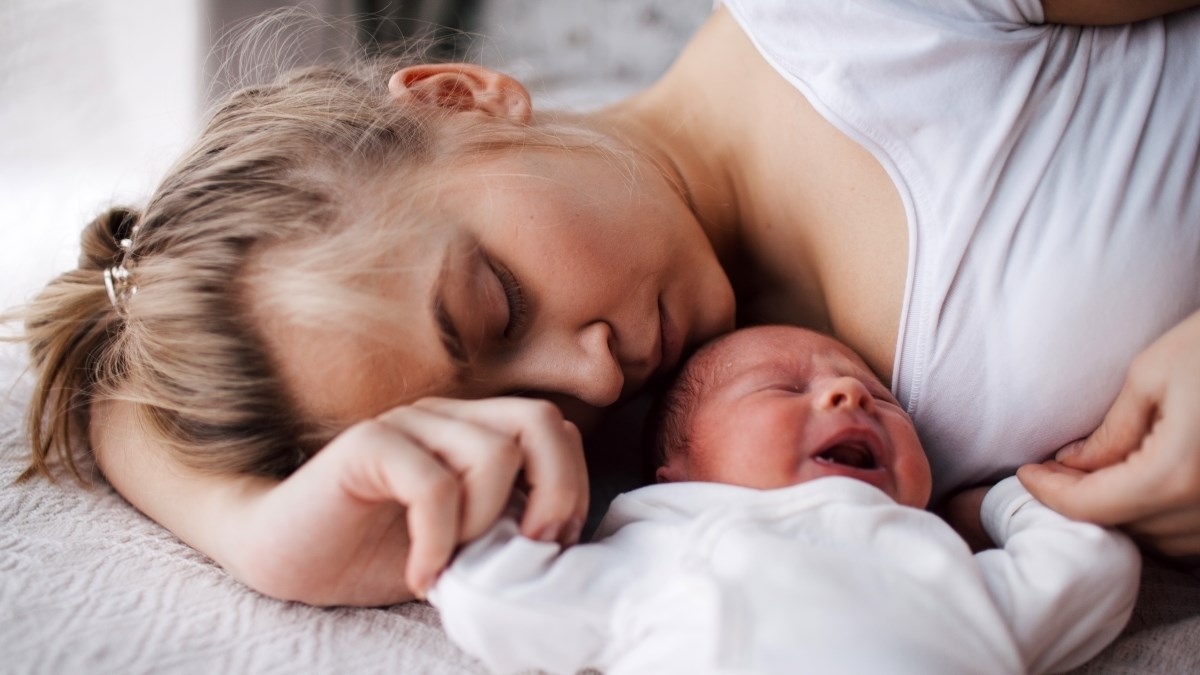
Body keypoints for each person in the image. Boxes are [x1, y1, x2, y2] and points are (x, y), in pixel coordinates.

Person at [16, 0, 1200, 607]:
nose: (583, 384)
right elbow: (114, 387)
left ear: (462, 96)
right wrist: (258, 539)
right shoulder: (677, 452)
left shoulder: (876, 26)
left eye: (494, 304)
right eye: (496, 411)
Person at [428, 325, 1140, 675]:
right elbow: (493, 592)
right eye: (781, 387)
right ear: (675, 472)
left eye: (885, 399)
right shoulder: (662, 552)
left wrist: (1001, 499)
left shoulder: (942, 565)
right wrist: (505, 498)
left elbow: (1095, 565)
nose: (850, 393)